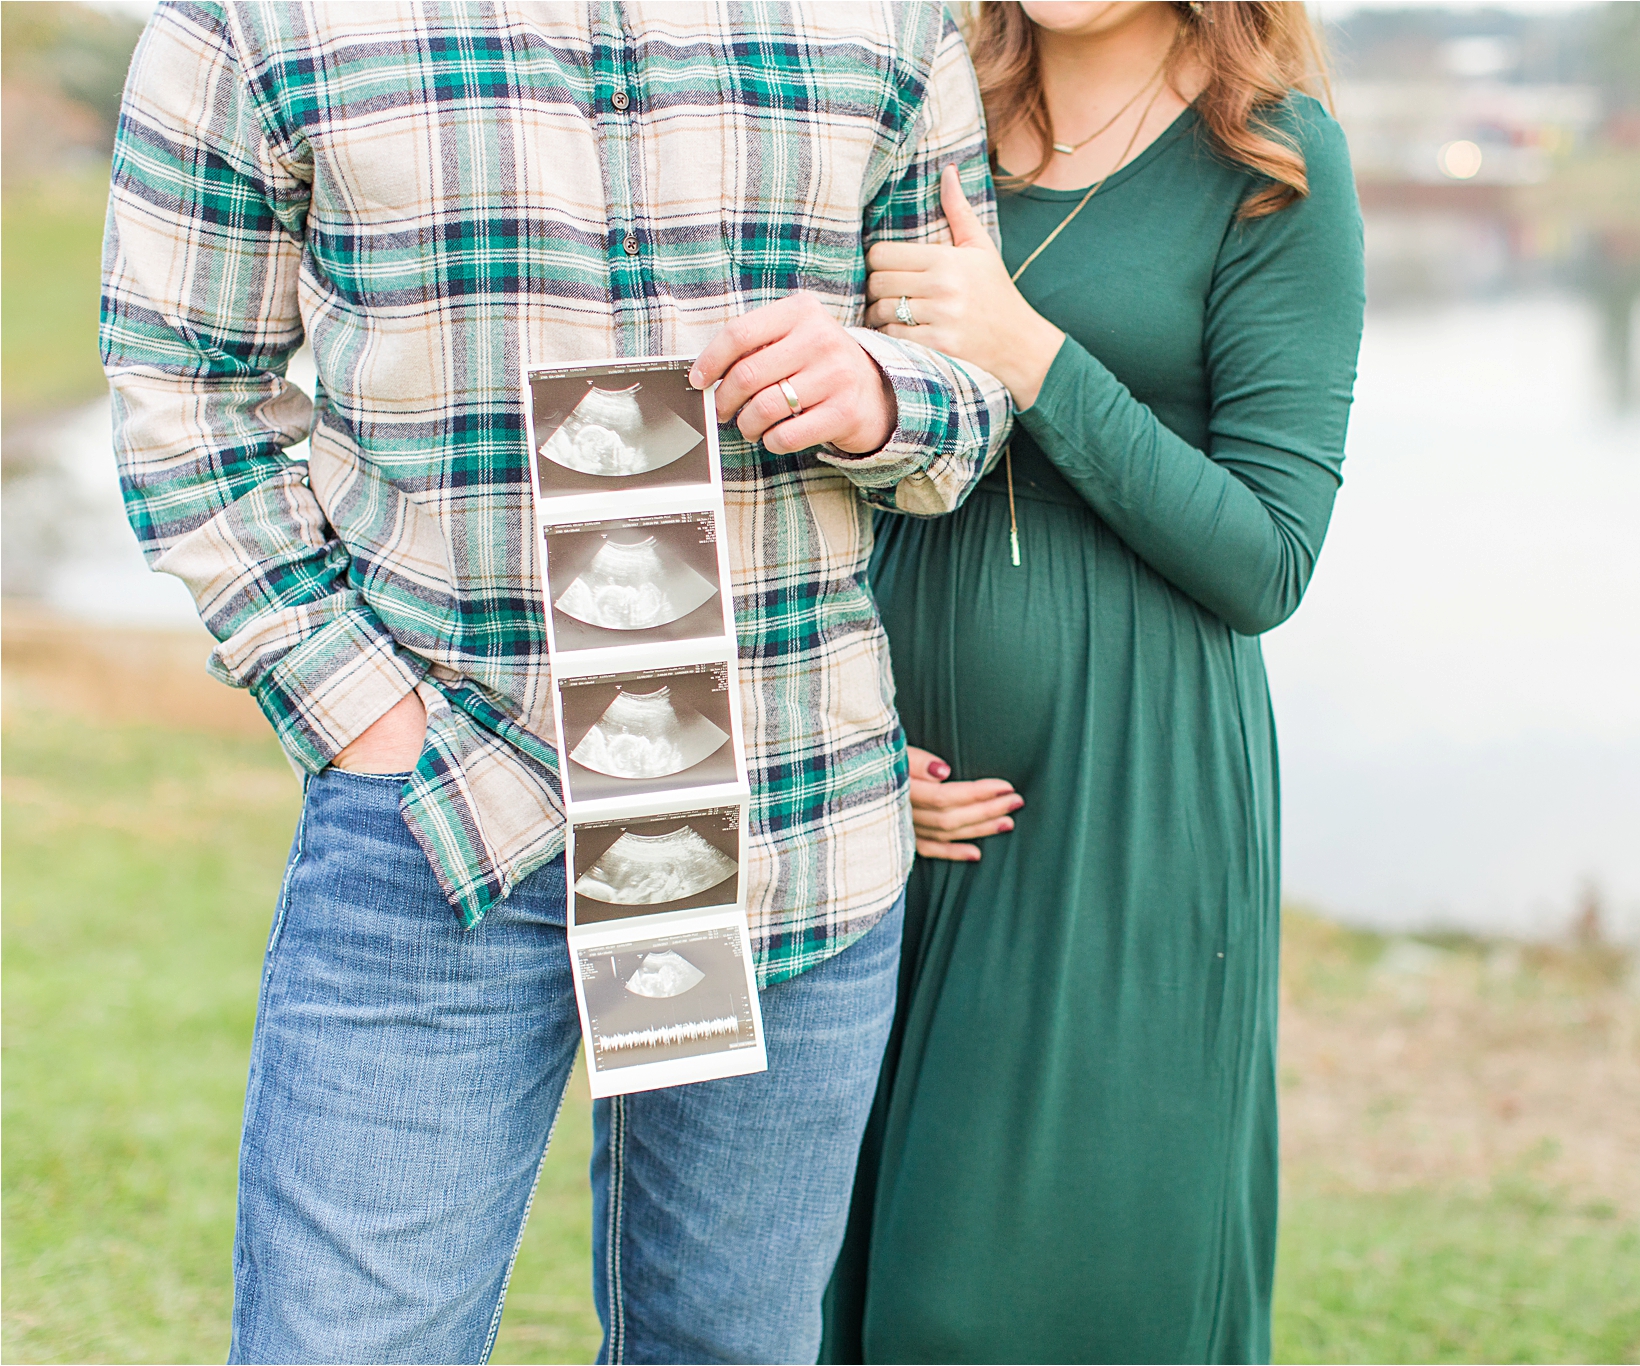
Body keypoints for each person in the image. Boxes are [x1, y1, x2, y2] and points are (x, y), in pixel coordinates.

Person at [100, 5, 1009, 1362]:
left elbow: (971, 378)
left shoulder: (888, 17)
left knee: (724, 1346)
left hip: (793, 826)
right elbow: (182, 388)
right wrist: (366, 715)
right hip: (441, 809)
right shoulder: (249, 18)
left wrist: (887, 394)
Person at [821, 1, 1365, 1361]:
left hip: (1127, 812)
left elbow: (1267, 560)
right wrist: (837, 744)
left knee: (1013, 1298)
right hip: (865, 796)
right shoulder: (912, 126)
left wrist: (1032, 355)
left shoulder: (1272, 161)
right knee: (844, 1277)